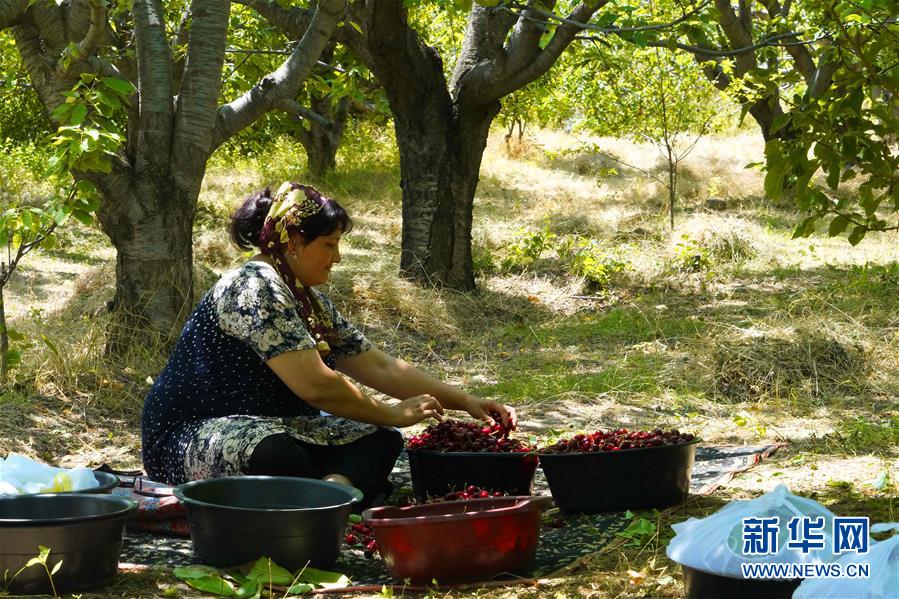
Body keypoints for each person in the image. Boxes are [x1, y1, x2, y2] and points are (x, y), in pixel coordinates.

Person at [141, 182, 515, 508]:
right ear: (295, 242)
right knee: (277, 453)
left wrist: (465, 401)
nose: (336, 258)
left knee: (380, 440)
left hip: (275, 424)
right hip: (190, 435)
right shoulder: (254, 286)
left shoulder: (305, 297)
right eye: (330, 244)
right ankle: (328, 495)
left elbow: (378, 366)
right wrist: (392, 412)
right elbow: (316, 386)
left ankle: (330, 495)